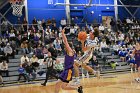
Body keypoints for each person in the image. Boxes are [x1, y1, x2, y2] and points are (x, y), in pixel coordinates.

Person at [55, 28, 83, 93]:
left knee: (63, 87)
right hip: (65, 70)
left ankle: (77, 88)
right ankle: (78, 89)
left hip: (68, 71)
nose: (65, 47)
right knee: (57, 84)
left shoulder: (70, 51)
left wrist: (62, 33)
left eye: (66, 46)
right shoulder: (69, 52)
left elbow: (65, 41)